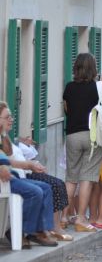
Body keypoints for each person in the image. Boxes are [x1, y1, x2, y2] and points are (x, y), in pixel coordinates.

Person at [63, 53, 102, 232]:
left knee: (71, 177)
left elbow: (67, 109)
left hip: (72, 135)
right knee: (87, 178)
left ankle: (64, 217)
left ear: (76, 68)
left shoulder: (69, 87)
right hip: (92, 136)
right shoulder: (98, 87)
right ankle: (81, 219)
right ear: (94, 69)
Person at [0, 102, 57, 248]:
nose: (11, 119)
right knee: (35, 192)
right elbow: (5, 162)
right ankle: (20, 231)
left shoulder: (3, 137)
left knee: (45, 187)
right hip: (4, 180)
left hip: (10, 176)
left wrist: (29, 164)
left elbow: (8, 159)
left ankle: (38, 231)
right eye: (7, 117)